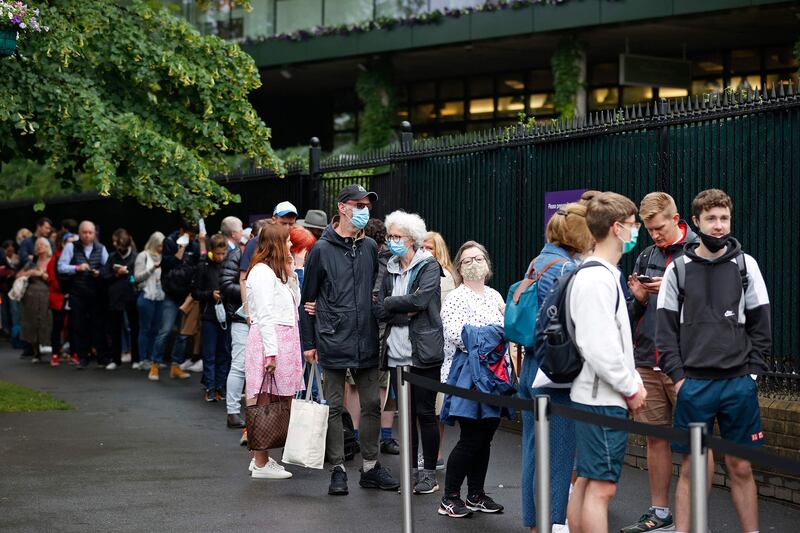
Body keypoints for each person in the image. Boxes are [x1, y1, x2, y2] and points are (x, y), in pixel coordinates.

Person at [657, 189, 771, 533]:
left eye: (724, 218)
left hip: (738, 385)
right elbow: (664, 333)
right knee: (692, 469)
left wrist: (751, 375)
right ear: (696, 222)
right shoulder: (678, 269)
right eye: (711, 218)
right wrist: (679, 379)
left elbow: (761, 327)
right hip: (694, 386)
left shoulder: (745, 265)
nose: (719, 226)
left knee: (740, 467)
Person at [300, 184, 399, 496]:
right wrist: (309, 342)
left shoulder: (369, 246)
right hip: (332, 338)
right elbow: (307, 299)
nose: (364, 210)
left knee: (371, 402)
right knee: (333, 406)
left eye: (367, 205)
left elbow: (375, 288)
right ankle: (338, 469)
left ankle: (370, 466)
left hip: (366, 338)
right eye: (358, 205)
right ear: (342, 207)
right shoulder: (321, 249)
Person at [620, 192, 704, 533]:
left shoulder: (700, 253)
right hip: (646, 360)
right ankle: (660, 512)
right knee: (655, 439)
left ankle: (692, 517)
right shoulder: (646, 256)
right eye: (649, 229)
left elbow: (713, 308)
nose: (654, 235)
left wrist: (673, 292)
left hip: (687, 363)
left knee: (694, 441)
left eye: (659, 227)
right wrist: (638, 299)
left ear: (676, 218)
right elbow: (630, 314)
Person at [565, 192, 646, 533]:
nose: (636, 231)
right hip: (602, 398)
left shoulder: (598, 273)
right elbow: (598, 346)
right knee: (602, 488)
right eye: (633, 225)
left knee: (585, 480)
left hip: (593, 395)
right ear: (617, 228)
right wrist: (631, 388)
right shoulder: (598, 278)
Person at [519, 202, 593, 532]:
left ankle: (534, 522)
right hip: (553, 372)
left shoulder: (539, 261)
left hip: (530, 365)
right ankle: (553, 522)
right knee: (560, 456)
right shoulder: (565, 269)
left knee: (533, 451)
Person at [437, 241, 511, 518]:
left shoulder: (494, 295)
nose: (474, 263)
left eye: (478, 258)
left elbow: (507, 329)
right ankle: (449, 497)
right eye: (467, 260)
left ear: (487, 264)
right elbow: (460, 335)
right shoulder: (456, 297)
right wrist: (495, 333)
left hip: (494, 375)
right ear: (459, 267)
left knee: (486, 436)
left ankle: (476, 493)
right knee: (470, 437)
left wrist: (487, 334)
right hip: (466, 375)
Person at [373, 210, 444, 495]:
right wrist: (400, 308)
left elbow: (421, 300)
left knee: (425, 413)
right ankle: (411, 470)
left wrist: (392, 305)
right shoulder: (388, 266)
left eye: (397, 236)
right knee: (406, 412)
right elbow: (378, 306)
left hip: (423, 351)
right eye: (390, 236)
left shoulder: (428, 266)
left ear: (412, 239)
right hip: (396, 351)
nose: (392, 241)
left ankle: (429, 473)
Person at [244, 223, 305, 480]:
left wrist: (292, 274)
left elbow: (294, 305)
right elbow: (266, 315)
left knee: (277, 400)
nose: (291, 246)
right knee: (265, 401)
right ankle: (260, 462)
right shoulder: (261, 273)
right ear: (277, 244)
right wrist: (271, 353)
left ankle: (263, 458)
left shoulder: (275, 273)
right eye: (288, 241)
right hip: (272, 343)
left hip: (283, 342)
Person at [364, 217, 399, 457]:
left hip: (366, 324)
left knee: (358, 384)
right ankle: (385, 436)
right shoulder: (392, 260)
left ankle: (358, 435)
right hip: (386, 325)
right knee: (384, 385)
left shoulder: (362, 256)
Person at [422, 230, 456, 470]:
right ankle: (427, 451)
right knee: (423, 406)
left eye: (430, 247)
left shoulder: (447, 278)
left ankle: (437, 452)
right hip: (422, 346)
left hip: (441, 349)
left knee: (436, 406)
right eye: (422, 246)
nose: (425, 251)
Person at [57, 221, 110, 369]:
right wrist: (77, 268)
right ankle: (82, 357)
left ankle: (101, 357)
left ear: (94, 234)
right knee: (79, 325)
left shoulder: (101, 248)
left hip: (95, 292)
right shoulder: (70, 247)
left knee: (98, 325)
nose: (87, 235)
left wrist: (100, 272)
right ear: (79, 233)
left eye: (90, 232)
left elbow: (107, 268)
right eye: (84, 232)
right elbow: (61, 267)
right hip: (78, 292)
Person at [151, 220, 199, 381]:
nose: (191, 238)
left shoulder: (195, 245)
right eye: (189, 235)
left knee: (183, 334)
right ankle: (155, 365)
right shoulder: (170, 242)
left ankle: (176, 366)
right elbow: (168, 263)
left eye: (193, 236)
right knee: (165, 330)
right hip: (171, 294)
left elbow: (199, 262)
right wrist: (182, 246)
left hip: (186, 295)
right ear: (182, 230)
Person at [193, 234, 231, 402]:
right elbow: (195, 293)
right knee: (209, 353)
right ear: (211, 251)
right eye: (217, 254)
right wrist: (211, 294)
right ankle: (210, 386)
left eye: (223, 254)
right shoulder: (203, 266)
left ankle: (220, 386)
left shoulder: (229, 264)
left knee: (224, 353)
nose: (220, 257)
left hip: (226, 315)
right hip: (209, 315)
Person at [221, 227, 248, 429]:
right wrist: (253, 290)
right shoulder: (236, 256)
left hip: (258, 319)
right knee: (239, 366)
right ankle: (232, 412)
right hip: (240, 318)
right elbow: (226, 286)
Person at [103, 229, 139, 370]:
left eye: (116, 241)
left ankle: (136, 358)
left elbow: (136, 278)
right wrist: (116, 274)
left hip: (131, 296)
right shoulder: (112, 257)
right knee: (115, 329)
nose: (114, 244)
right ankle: (116, 359)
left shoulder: (135, 257)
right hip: (115, 297)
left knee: (134, 328)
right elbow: (104, 275)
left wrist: (128, 274)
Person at [18, 237, 54, 363]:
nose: (39, 247)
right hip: (30, 298)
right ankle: (36, 353)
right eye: (37, 245)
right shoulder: (32, 261)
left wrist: (43, 275)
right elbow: (18, 275)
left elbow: (56, 279)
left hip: (47, 296)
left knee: (47, 322)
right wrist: (30, 272)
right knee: (31, 323)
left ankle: (53, 351)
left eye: (42, 245)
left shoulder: (52, 260)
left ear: (47, 247)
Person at [134, 232, 165, 371]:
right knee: (145, 329)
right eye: (159, 245)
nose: (161, 248)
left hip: (160, 297)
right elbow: (137, 277)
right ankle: (143, 359)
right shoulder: (143, 256)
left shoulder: (163, 257)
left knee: (156, 330)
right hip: (146, 296)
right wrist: (153, 268)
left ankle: (154, 359)